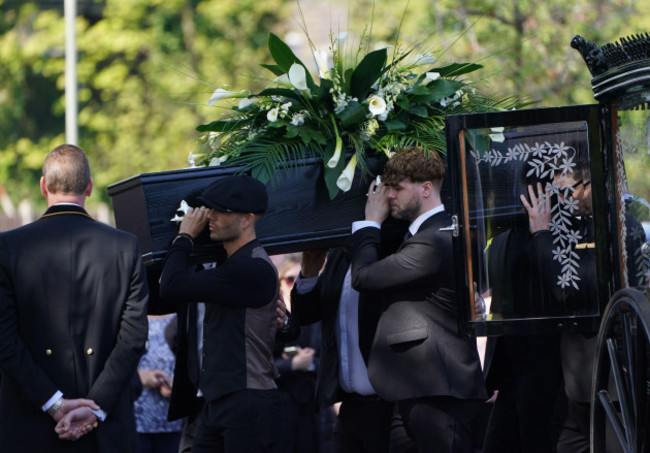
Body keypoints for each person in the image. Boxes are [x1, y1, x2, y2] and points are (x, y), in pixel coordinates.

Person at [0, 144, 149, 452]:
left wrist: (53, 403)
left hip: (30, 424)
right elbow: (133, 339)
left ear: (43, 186)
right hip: (105, 430)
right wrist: (96, 406)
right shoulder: (125, 247)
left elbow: (5, 340)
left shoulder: (9, 247)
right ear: (90, 186)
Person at [349, 147, 486, 453]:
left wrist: (370, 222)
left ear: (426, 188)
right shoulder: (422, 235)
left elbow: (364, 278)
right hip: (416, 389)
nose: (388, 197)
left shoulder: (434, 239)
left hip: (440, 393)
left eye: (396, 189)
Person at [159, 174, 280, 453]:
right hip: (220, 401)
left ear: (247, 219)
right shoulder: (234, 266)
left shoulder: (252, 267)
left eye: (220, 210)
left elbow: (172, 285)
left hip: (248, 402)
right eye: (208, 208)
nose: (209, 216)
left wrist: (185, 236)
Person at [274, 254, 335, 453]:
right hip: (280, 407)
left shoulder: (316, 317)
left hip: (313, 407)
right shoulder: (269, 319)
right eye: (290, 279)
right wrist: (293, 364)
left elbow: (328, 360)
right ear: (280, 282)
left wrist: (308, 363)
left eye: (298, 279)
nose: (294, 284)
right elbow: (259, 365)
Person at [134, 314, 183, 453]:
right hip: (137, 421)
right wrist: (140, 376)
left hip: (173, 423)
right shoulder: (130, 316)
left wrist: (180, 387)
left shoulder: (182, 317)